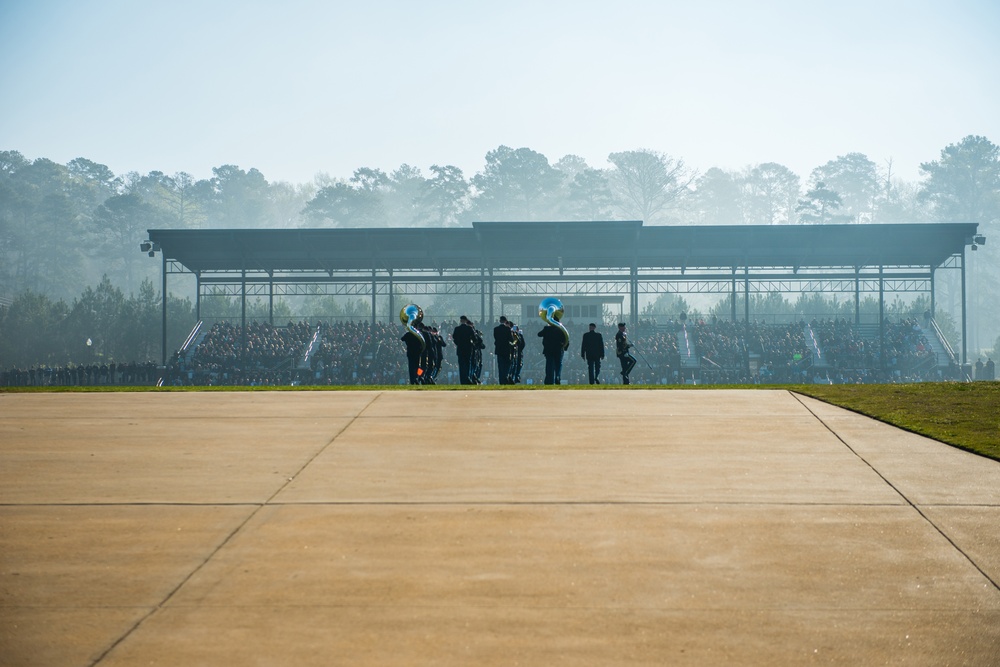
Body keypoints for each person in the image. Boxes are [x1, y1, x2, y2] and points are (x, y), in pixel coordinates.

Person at [538, 321, 567, 385]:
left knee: (549, 365)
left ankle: (549, 380)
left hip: (549, 350)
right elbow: (566, 338)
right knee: (558, 365)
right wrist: (565, 347)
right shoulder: (561, 329)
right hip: (558, 350)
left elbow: (539, 334)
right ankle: (557, 377)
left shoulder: (547, 328)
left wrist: (546, 328)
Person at [401, 318, 426, 385]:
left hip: (410, 352)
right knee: (417, 366)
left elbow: (402, 339)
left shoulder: (408, 334)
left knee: (411, 367)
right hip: (417, 352)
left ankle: (413, 380)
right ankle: (417, 378)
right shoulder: (419, 334)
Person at [452, 316, 475, 385]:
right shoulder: (469, 328)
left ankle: (462, 380)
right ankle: (467, 378)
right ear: (465, 320)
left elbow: (454, 338)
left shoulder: (457, 329)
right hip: (468, 349)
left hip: (460, 349)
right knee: (468, 364)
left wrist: (458, 344)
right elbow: (474, 338)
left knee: (461, 365)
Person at [493, 315, 515, 384]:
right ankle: (506, 376)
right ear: (505, 321)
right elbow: (511, 339)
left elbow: (495, 338)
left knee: (500, 366)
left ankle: (501, 381)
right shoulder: (508, 329)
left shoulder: (496, 329)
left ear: (500, 321)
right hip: (506, 350)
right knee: (507, 365)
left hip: (499, 350)